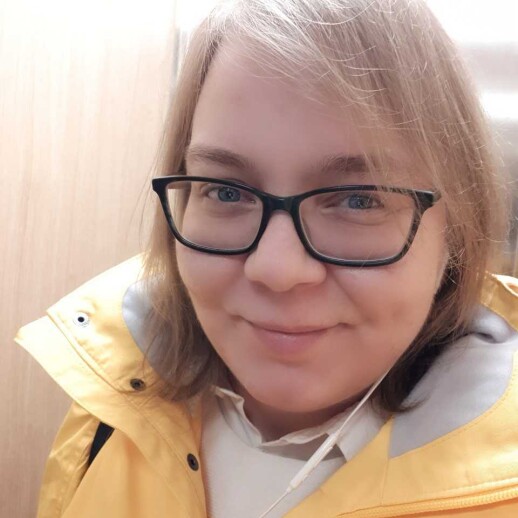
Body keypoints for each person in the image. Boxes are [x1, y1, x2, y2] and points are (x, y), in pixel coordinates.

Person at [16, 0, 518, 516]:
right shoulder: (111, 395)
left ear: (457, 229)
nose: (276, 270)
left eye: (357, 200)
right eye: (227, 192)